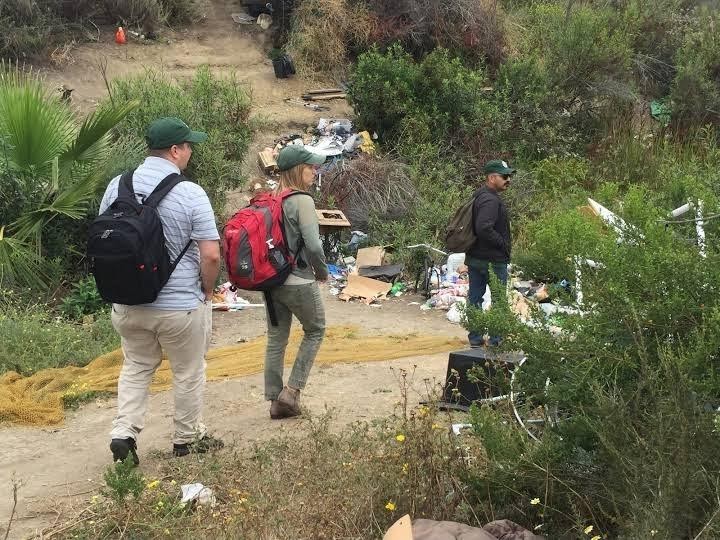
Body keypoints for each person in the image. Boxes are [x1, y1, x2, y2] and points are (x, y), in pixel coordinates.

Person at [99, 117, 223, 464]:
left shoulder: (116, 186)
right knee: (187, 370)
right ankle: (186, 439)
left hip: (126, 302)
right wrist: (206, 291)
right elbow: (211, 254)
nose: (191, 152)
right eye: (188, 146)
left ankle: (123, 433)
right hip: (178, 306)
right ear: (174, 150)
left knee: (136, 366)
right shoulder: (190, 192)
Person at [265, 145, 328, 419]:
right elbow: (313, 245)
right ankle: (291, 392)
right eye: (310, 167)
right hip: (299, 280)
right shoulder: (302, 201)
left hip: (270, 282)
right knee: (315, 329)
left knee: (276, 339)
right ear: (297, 170)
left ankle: (274, 399)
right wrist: (322, 271)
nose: (315, 172)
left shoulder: (269, 199)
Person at [466, 159, 515, 347]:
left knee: (475, 298)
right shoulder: (490, 200)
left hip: (476, 258)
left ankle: (476, 339)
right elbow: (484, 228)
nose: (508, 179)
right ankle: (496, 340)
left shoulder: (480, 195)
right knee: (499, 301)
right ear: (492, 177)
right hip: (492, 261)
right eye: (504, 176)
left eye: (509, 176)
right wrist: (503, 244)